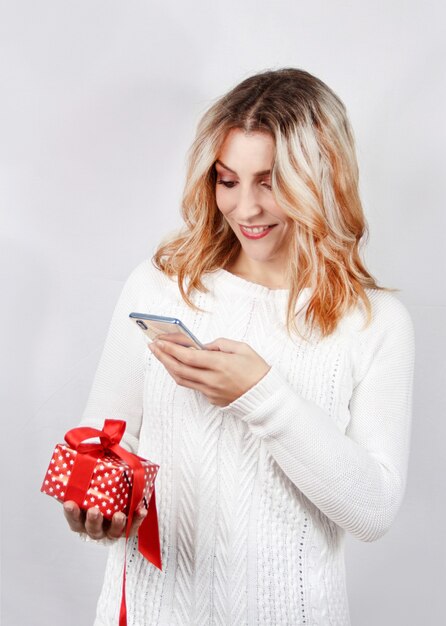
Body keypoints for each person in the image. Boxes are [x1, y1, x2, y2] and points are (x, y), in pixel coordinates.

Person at [63, 68, 415, 626]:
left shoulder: (374, 322)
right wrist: (94, 501)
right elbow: (106, 436)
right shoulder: (161, 284)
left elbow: (372, 511)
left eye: (271, 181)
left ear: (323, 179)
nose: (245, 208)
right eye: (228, 180)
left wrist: (261, 395)